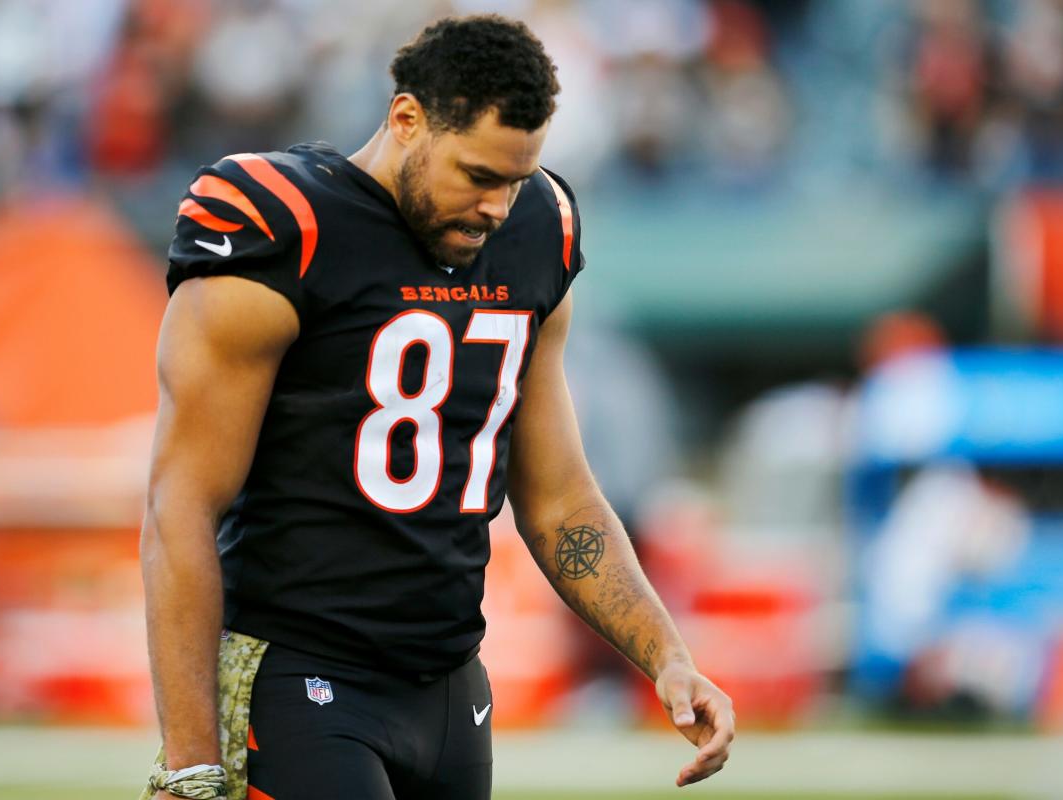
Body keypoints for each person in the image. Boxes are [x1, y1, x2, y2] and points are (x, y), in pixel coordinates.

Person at [140, 15, 734, 800]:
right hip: (298, 676)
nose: (497, 206)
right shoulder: (286, 225)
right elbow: (180, 501)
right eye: (477, 175)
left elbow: (558, 501)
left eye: (516, 178)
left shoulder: (538, 230)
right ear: (407, 119)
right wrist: (190, 765)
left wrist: (668, 656)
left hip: (452, 685)